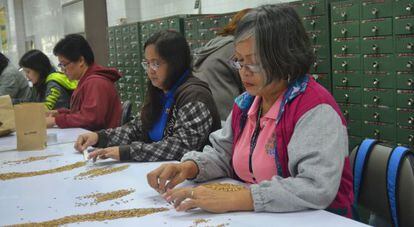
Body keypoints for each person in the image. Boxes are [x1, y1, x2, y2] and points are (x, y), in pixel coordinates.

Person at [147, 4, 354, 218]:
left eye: (253, 63)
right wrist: (189, 168)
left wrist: (239, 199)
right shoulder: (247, 104)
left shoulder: (314, 109)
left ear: (285, 59)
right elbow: (223, 154)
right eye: (239, 61)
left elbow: (315, 186)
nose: (244, 72)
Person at [74, 30, 221, 162]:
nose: (150, 71)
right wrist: (99, 137)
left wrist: (127, 152)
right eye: (147, 63)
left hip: (193, 179)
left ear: (175, 63)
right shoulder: (160, 90)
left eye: (156, 63)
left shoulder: (195, 97)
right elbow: (138, 128)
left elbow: (181, 147)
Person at [46, 34, 122, 130]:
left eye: (64, 64)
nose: (62, 70)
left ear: (81, 60)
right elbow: (82, 112)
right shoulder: (86, 80)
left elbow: (91, 119)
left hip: (101, 142)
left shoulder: (95, 82)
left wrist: (56, 120)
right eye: (60, 65)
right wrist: (58, 113)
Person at [192, 9, 249, 120]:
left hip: (202, 111)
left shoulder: (217, 42)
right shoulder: (235, 47)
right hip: (224, 115)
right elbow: (248, 83)